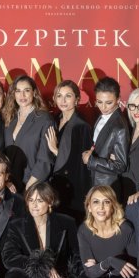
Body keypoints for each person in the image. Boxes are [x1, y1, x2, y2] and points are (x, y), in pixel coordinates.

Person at [3, 182, 82, 278]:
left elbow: (77, 253)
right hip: (31, 276)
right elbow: (8, 256)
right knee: (12, 277)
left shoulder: (67, 222)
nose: (34, 205)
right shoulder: (16, 225)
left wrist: (71, 276)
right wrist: (42, 266)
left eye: (40, 200)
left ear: (50, 201)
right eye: (31, 200)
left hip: (57, 275)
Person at [78, 185, 136, 278]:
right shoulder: (84, 230)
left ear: (113, 206)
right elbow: (90, 273)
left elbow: (134, 265)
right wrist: (111, 261)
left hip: (121, 277)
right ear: (89, 207)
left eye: (106, 201)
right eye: (96, 202)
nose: (101, 207)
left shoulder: (126, 228)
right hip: (97, 277)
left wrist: (101, 266)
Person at [45, 80, 93, 222]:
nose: (63, 100)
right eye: (59, 96)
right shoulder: (54, 120)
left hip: (73, 192)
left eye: (68, 96)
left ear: (77, 99)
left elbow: (81, 163)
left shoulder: (81, 126)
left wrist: (55, 150)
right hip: (54, 186)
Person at [3, 75, 55, 194]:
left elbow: (45, 159)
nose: (22, 96)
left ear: (34, 92)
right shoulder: (10, 118)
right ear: (13, 94)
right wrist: (6, 181)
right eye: (18, 91)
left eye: (27, 90)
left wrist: (29, 187)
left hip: (34, 185)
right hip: (11, 186)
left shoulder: (44, 119)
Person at [83, 77, 129, 198]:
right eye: (99, 102)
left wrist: (91, 161)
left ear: (118, 100)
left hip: (108, 188)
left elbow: (120, 166)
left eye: (109, 103)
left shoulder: (119, 127)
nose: (103, 107)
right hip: (95, 182)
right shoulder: (102, 117)